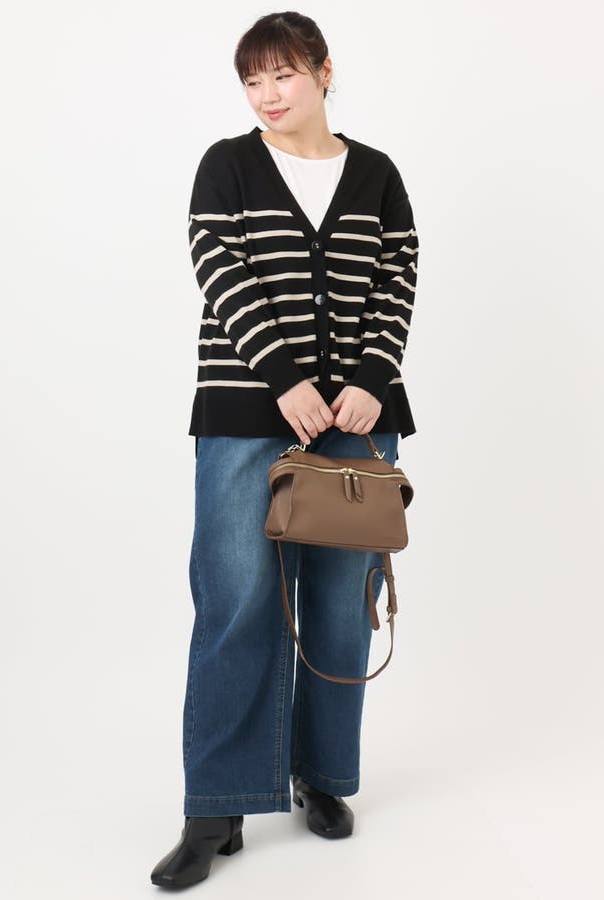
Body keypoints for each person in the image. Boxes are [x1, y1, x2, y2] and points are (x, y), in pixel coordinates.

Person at [151, 10, 419, 888]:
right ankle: (216, 808)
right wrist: (282, 380)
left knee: (341, 606)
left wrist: (372, 379)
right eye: (252, 80)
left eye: (284, 75)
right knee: (237, 602)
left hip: (357, 418)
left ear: (323, 72)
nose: (267, 95)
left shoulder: (377, 175)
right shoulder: (226, 165)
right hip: (245, 411)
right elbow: (220, 270)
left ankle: (324, 777)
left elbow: (397, 277)